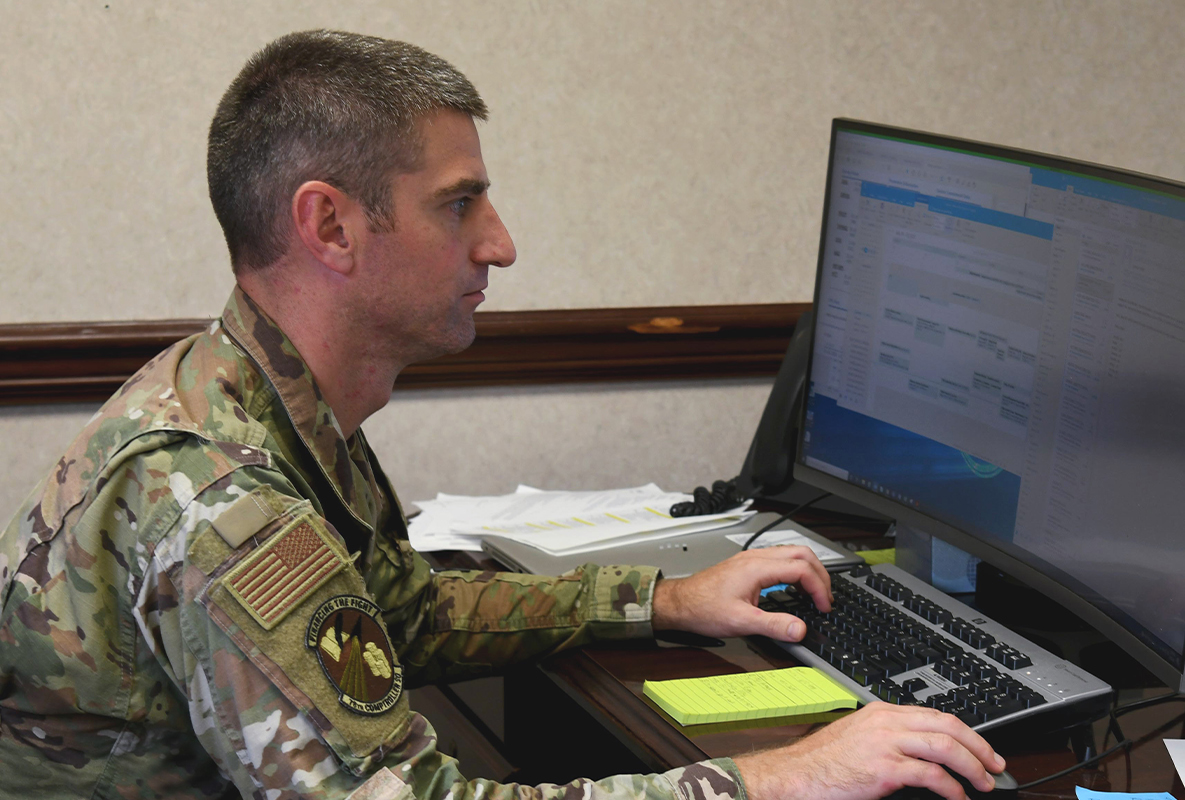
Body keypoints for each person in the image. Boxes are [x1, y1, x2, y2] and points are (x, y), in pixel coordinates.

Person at [0, 30, 1005, 800]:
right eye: (457, 203)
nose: (501, 242)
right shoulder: (224, 498)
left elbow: (406, 611)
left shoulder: (255, 397)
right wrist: (776, 777)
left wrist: (664, 601)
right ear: (331, 226)